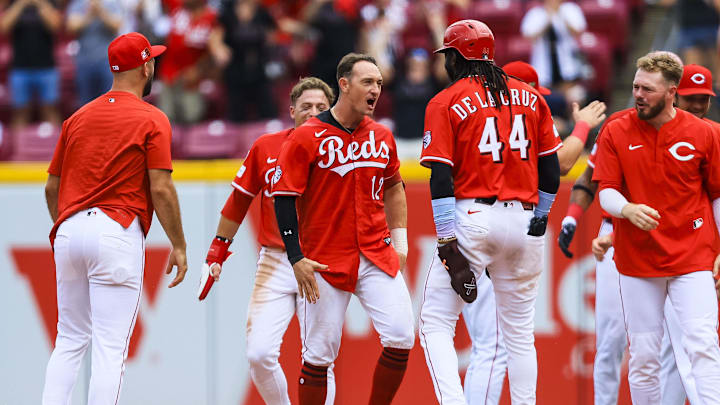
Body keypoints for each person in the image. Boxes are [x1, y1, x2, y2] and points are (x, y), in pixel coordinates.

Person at [418, 20, 561, 405]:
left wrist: (447, 240)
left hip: (474, 216)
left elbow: (441, 178)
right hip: (526, 217)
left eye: (448, 54)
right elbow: (551, 170)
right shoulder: (532, 98)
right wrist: (541, 218)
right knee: (519, 334)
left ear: (459, 55)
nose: (445, 61)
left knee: (435, 323)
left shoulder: (446, 100)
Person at [41, 32, 188, 404]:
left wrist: (65, 230)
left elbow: (50, 188)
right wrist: (179, 244)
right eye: (152, 59)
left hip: (69, 229)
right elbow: (161, 188)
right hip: (116, 229)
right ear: (146, 66)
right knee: (109, 348)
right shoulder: (152, 118)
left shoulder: (77, 117)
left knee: (69, 340)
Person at [558, 54, 709, 405]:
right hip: (623, 241)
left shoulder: (704, 137)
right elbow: (591, 179)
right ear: (675, 94)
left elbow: (704, 203)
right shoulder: (620, 127)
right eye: (692, 99)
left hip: (682, 249)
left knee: (685, 346)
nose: (698, 107)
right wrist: (573, 219)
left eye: (704, 100)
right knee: (617, 342)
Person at [270, 53, 415, 405]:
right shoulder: (307, 136)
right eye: (368, 82)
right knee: (319, 354)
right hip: (324, 257)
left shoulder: (382, 135)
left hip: (375, 251)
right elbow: (284, 197)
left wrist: (401, 242)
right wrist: (296, 257)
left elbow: (394, 185)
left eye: (379, 83)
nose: (376, 89)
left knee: (401, 335)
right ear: (344, 85)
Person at [460, 59, 606, 405]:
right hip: (500, 223)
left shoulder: (472, 111)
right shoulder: (514, 114)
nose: (534, 101)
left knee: (500, 343)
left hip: (472, 222)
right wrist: (582, 126)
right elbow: (562, 163)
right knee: (497, 344)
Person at [196, 77, 338, 405]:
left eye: (321, 107)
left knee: (318, 359)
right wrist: (217, 251)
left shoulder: (344, 149)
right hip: (276, 258)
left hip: (321, 258)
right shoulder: (267, 146)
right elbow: (239, 201)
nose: (313, 113)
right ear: (291, 111)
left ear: (332, 110)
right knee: (259, 353)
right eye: (306, 107)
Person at [0, 0, 62, 129]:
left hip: (46, 67)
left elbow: (55, 26)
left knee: (49, 108)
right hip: (20, 67)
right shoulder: (14, 3)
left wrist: (40, 3)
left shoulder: (49, 2)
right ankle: (18, 148)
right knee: (20, 111)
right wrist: (20, 4)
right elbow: (4, 27)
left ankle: (57, 145)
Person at [66, 0, 123, 106]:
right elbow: (71, 27)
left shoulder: (112, 3)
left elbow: (117, 26)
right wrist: (89, 13)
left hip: (107, 62)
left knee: (110, 102)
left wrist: (101, 11)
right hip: (84, 61)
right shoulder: (78, 3)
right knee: (85, 104)